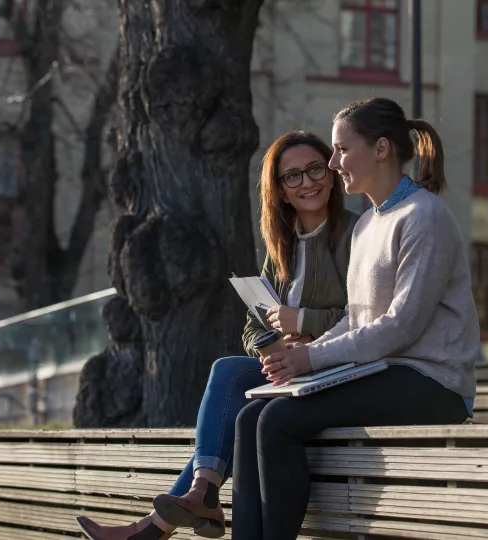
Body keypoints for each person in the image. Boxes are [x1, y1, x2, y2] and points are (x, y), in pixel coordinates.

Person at [75, 131, 361, 540]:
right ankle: (199, 495)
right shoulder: (281, 248)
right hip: (290, 371)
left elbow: (364, 315)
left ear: (331, 174)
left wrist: (303, 324)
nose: (307, 182)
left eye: (315, 169)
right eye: (292, 176)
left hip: (336, 368)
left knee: (228, 379)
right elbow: (255, 324)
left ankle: (163, 523)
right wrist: (272, 347)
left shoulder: (357, 234)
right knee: (229, 373)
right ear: (278, 190)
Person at [231, 98, 478, 540]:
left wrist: (313, 359)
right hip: (382, 370)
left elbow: (402, 326)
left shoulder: (425, 216)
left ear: (381, 148)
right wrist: (306, 355)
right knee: (252, 417)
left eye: (342, 149)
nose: (333, 162)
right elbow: (357, 317)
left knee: (278, 422)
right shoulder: (367, 225)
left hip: (431, 382)